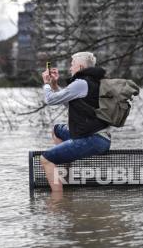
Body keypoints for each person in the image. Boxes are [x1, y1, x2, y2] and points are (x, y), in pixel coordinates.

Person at [41, 52, 111, 192]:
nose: (70, 68)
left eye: (72, 65)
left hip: (92, 139)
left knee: (46, 159)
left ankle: (58, 202)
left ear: (79, 66)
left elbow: (50, 100)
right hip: (102, 138)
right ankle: (65, 181)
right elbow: (70, 104)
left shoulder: (80, 83)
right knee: (57, 130)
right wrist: (54, 85)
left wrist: (47, 84)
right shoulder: (95, 82)